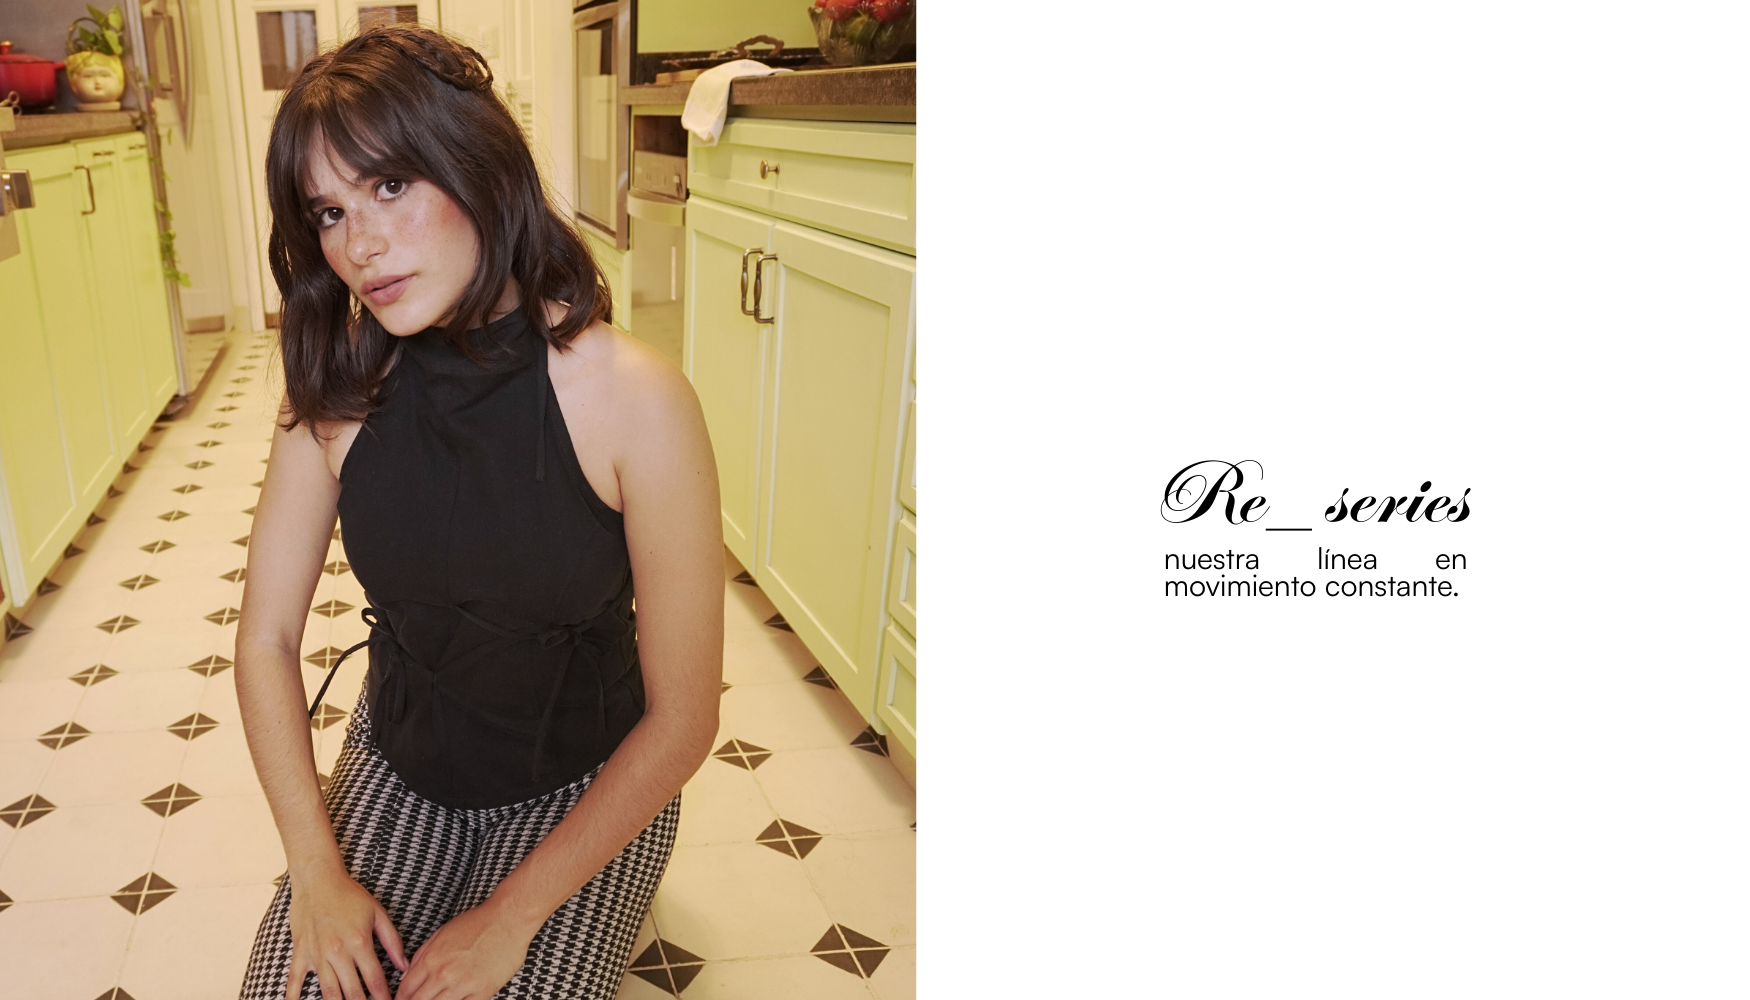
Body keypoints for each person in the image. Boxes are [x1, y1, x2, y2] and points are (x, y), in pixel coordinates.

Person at [233, 25, 723, 1000]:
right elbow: (266, 638)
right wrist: (317, 874)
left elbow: (683, 719)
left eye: (390, 185)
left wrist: (510, 918)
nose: (359, 245)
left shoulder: (634, 398)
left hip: (585, 779)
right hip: (399, 767)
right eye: (328, 212)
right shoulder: (336, 391)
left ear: (478, 160)